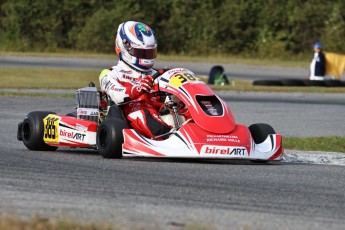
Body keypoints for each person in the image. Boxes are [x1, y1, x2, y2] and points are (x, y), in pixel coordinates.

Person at [98, 21, 171, 138]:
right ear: (124, 46)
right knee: (144, 114)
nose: (146, 57)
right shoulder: (110, 74)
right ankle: (168, 137)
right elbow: (116, 95)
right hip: (132, 112)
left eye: (149, 53)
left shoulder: (159, 74)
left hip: (160, 110)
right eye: (141, 52)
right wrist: (138, 88)